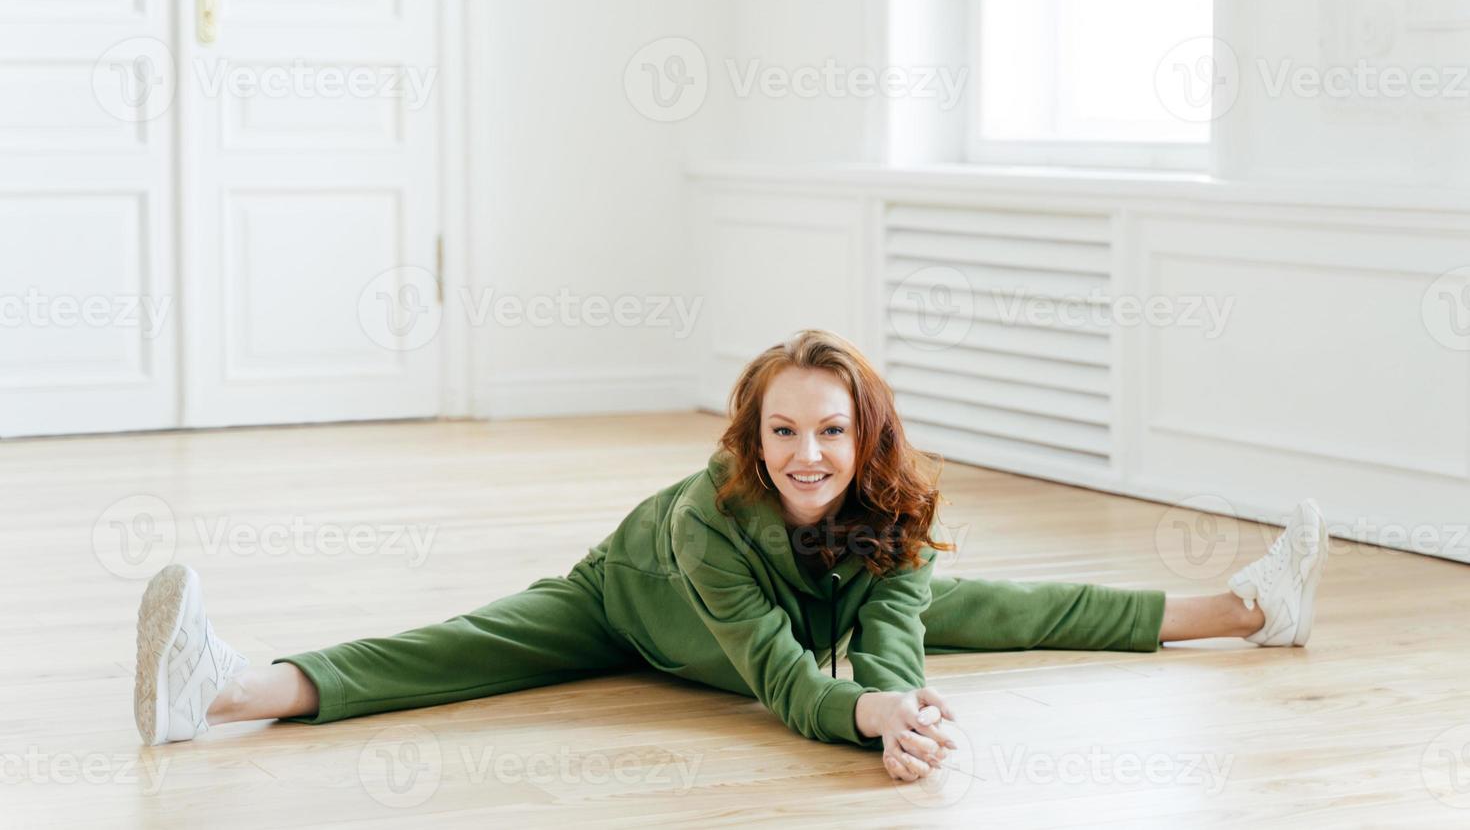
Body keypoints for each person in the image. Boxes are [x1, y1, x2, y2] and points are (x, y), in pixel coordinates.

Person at [133, 329, 1328, 784]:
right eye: (784, 429)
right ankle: (228, 685)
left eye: (831, 429)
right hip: (635, 605)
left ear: (867, 436)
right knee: (463, 645)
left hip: (808, 618)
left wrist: (900, 702)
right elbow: (784, 680)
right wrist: (865, 719)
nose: (808, 452)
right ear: (751, 439)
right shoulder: (707, 519)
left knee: (1000, 602)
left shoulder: (893, 513)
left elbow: (894, 642)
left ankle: (1244, 607)